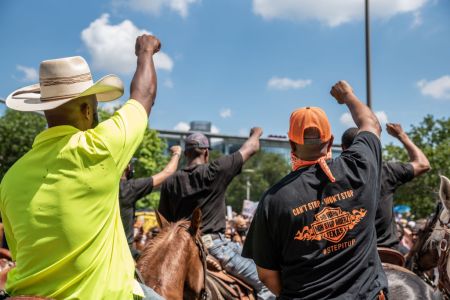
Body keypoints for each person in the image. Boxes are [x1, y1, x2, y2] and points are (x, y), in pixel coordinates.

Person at [0, 34, 163, 299]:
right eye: (97, 109)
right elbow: (144, 95)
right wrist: (145, 52)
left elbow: (20, 252)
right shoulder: (99, 148)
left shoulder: (10, 178)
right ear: (87, 110)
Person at [243, 81, 388, 299]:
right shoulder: (359, 166)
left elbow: (266, 275)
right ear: (330, 142)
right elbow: (371, 124)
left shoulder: (274, 199)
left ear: (292, 145)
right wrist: (348, 96)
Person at [158, 130, 275, 299]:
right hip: (214, 246)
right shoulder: (215, 170)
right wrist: (255, 133)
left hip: (180, 248)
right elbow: (250, 148)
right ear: (206, 152)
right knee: (267, 283)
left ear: (186, 154)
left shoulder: (170, 182)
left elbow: (165, 224)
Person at [341, 123, 430, 253]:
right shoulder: (386, 171)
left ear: (343, 148)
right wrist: (401, 135)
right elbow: (423, 164)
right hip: (389, 250)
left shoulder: (334, 176)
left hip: (353, 254)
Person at [120, 145, 182, 259]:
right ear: (128, 167)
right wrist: (176, 153)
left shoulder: (98, 187)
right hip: (123, 254)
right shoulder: (129, 188)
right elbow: (167, 173)